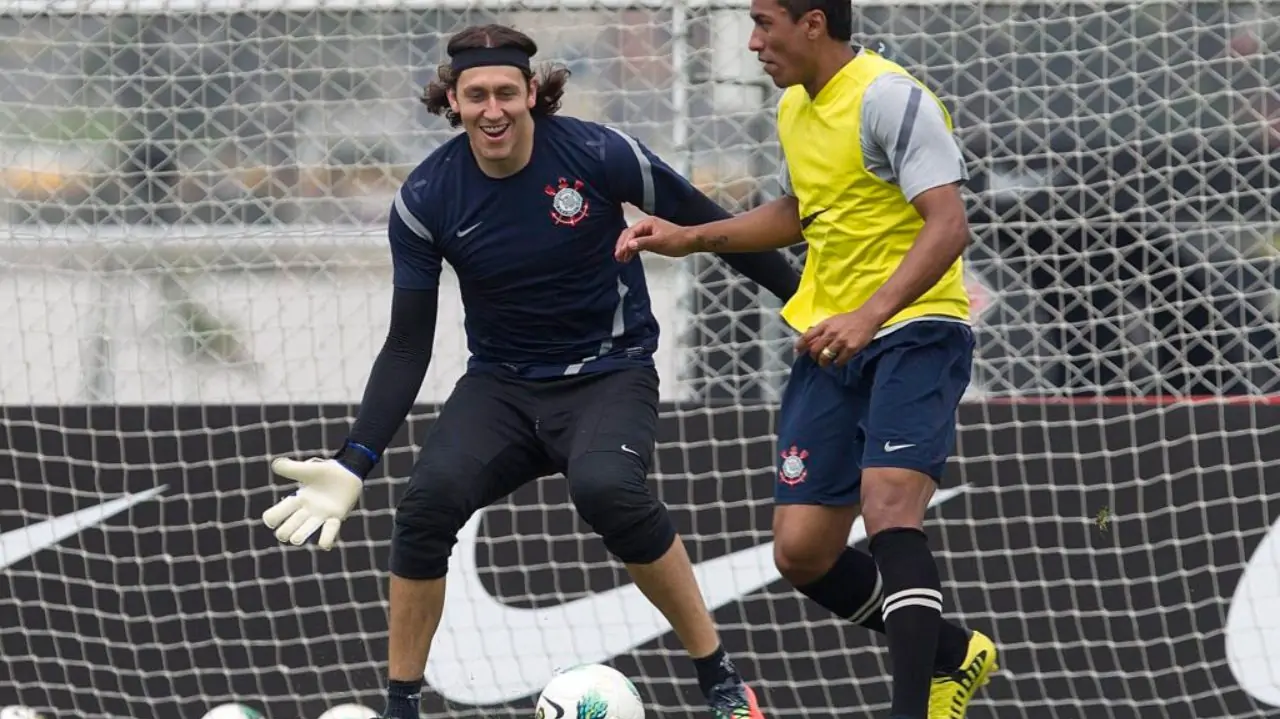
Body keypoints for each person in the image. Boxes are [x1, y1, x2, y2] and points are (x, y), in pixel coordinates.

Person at [260, 23, 798, 719]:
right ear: (452, 101)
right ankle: (400, 705)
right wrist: (354, 461)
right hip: (502, 386)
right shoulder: (427, 198)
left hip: (610, 372)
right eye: (475, 94)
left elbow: (710, 223)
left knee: (607, 488)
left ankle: (722, 681)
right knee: (423, 510)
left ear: (531, 94)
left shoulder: (600, 153)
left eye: (506, 92)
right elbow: (405, 347)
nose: (492, 109)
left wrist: (801, 301)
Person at [614, 0, 999, 718]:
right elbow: (801, 211)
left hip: (916, 329)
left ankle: (912, 707)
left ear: (814, 23)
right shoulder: (795, 106)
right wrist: (690, 235)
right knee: (801, 551)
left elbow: (949, 227)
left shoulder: (889, 97)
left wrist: (870, 313)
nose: (754, 42)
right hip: (832, 342)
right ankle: (951, 653)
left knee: (888, 504)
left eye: (765, 23)